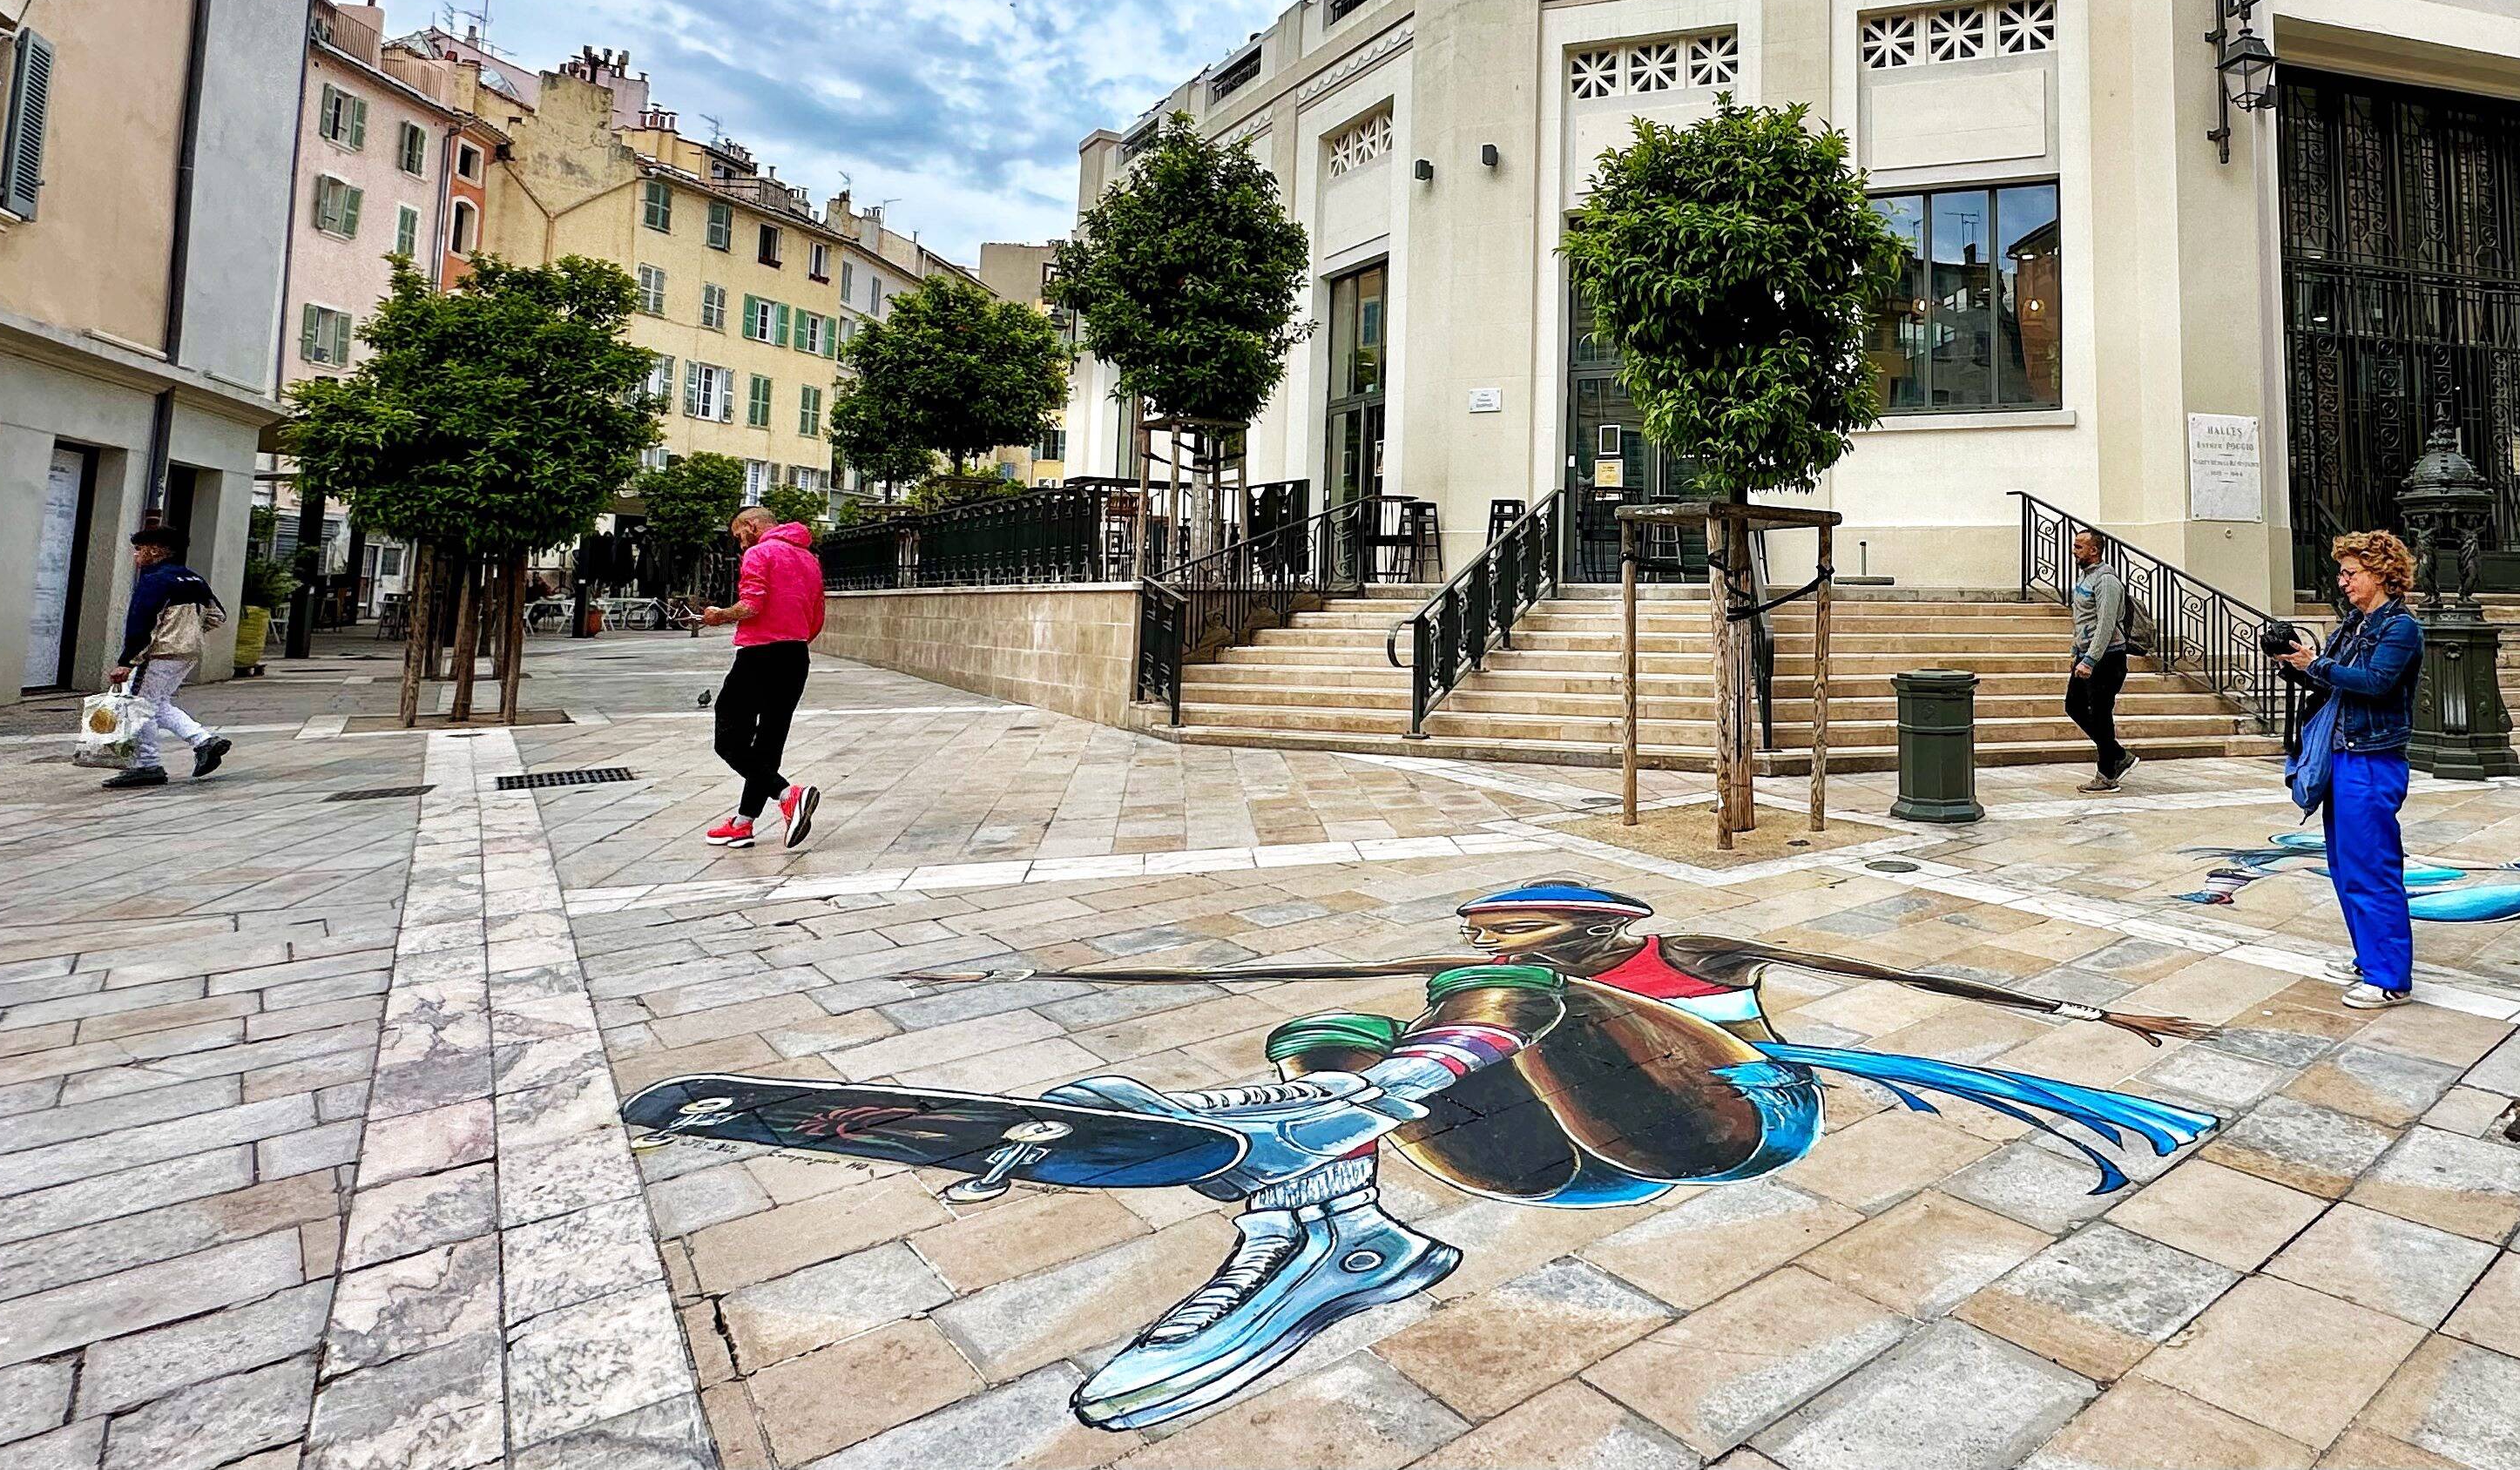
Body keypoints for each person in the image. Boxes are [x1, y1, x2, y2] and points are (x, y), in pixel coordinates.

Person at [634, 881, 2213, 1433]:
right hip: (1544, 1162)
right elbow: (1474, 1003)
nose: (1481, 948)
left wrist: (2101, 1013)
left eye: (1507, 935)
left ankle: (1297, 1154)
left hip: (1705, 1120)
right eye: (1480, 941)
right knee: (1317, 1038)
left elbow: (1935, 992)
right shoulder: (1503, 986)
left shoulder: (1665, 958)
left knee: (1446, 1033)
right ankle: (1329, 1219)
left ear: (1583, 925)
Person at [2280, 529, 2423, 1008]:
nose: (2342, 581)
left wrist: (2317, 665)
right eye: (2341, 572)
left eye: (2350, 572)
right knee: (2345, 865)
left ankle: (2389, 977)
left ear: (2380, 573)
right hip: (2342, 754)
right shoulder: (2352, 625)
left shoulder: (2400, 628)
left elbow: (2376, 683)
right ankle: (2369, 956)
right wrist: (2299, 667)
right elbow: (2334, 681)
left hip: (2371, 758)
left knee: (2372, 868)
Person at [695, 505, 825, 849]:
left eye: (740, 535)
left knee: (728, 737)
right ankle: (743, 822)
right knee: (769, 742)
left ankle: (788, 795)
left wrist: (717, 615)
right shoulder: (809, 559)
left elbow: (751, 605)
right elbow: (816, 615)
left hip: (759, 656)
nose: (740, 544)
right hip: (796, 656)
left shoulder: (760, 553)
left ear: (752, 525)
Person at [105, 525, 232, 792]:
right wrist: (190, 633)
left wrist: (126, 662)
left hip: (160, 653)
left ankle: (146, 765)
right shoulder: (195, 580)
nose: (136, 556)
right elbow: (218, 616)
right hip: (187, 653)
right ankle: (203, 741)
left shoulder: (154, 580)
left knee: (137, 706)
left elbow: (141, 625)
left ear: (154, 551)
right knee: (157, 703)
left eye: (139, 550)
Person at [2063, 526, 2135, 791]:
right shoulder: (2086, 578)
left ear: (2094, 550)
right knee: (2074, 706)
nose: (2074, 551)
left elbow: (2106, 624)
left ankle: (2107, 774)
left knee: (2101, 713)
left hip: (2107, 658)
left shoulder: (2106, 580)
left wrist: (2090, 660)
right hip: (2086, 655)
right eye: (2074, 545)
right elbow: (2081, 620)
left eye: (2079, 546)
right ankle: (2117, 755)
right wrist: (2075, 652)